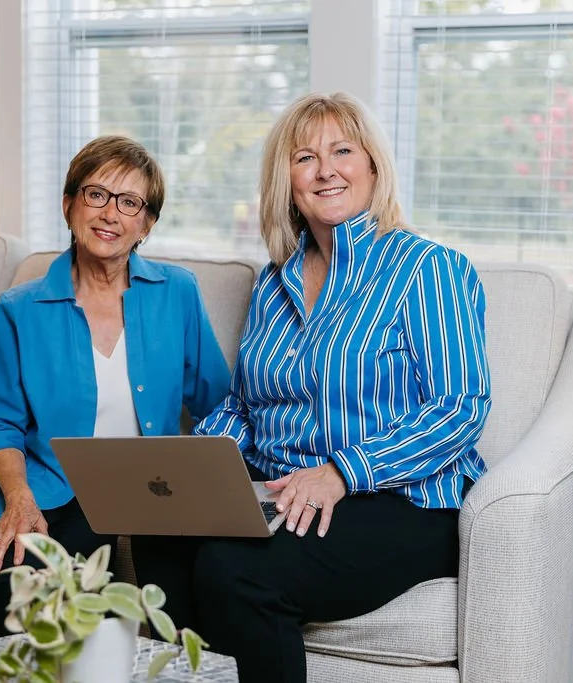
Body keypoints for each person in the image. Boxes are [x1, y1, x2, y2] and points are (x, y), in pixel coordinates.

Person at [130, 92, 492, 683]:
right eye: (305, 157)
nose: (326, 170)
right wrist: (199, 463)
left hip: (405, 499)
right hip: (286, 487)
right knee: (160, 533)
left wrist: (342, 472)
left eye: (342, 151)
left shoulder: (429, 268)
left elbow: (460, 407)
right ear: (287, 182)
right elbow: (245, 404)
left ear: (372, 166)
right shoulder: (274, 281)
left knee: (236, 570)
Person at [0, 135, 231, 640]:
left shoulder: (178, 293)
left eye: (130, 202)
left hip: (152, 486)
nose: (110, 214)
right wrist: (19, 496)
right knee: (21, 598)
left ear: (147, 224)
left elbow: (219, 403)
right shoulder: (20, 309)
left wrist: (212, 484)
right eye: (96, 194)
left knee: (186, 615)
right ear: (69, 205)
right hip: (57, 483)